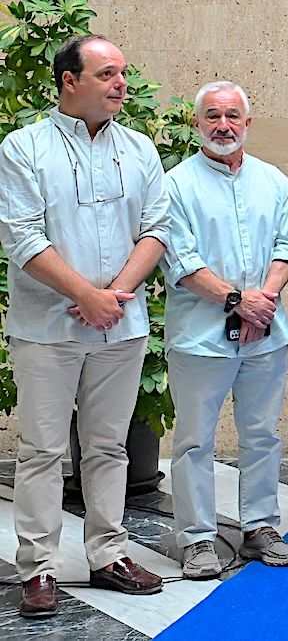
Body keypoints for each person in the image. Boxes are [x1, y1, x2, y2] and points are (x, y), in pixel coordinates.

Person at [0, 36, 169, 618]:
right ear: (69, 81)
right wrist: (86, 296)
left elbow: (157, 228)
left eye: (123, 72)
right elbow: (21, 237)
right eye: (106, 74)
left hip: (120, 326)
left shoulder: (140, 148)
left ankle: (109, 553)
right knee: (42, 449)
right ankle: (38, 567)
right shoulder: (24, 148)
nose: (120, 83)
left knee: (107, 446)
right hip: (47, 325)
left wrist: (114, 296)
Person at [163, 81, 288, 578]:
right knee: (195, 441)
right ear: (197, 124)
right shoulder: (175, 184)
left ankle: (261, 526)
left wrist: (261, 303)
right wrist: (239, 303)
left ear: (248, 122)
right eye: (213, 116)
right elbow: (180, 260)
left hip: (267, 336)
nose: (224, 125)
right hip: (201, 339)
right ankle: (198, 538)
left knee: (262, 435)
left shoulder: (274, 181)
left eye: (233, 116)